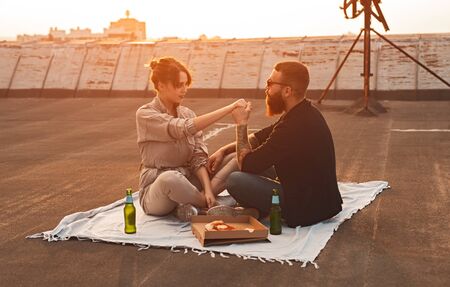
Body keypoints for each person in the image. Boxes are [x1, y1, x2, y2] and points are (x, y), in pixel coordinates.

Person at [207, 61, 343, 227]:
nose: (267, 89)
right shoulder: (302, 111)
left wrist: (241, 124)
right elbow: (258, 137)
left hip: (305, 208)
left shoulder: (294, 126)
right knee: (235, 153)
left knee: (235, 180)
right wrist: (222, 150)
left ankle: (212, 201)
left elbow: (246, 164)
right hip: (319, 200)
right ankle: (253, 210)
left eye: (270, 83)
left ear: (287, 91)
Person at [136, 57, 247, 221]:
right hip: (158, 192)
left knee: (235, 158)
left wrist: (208, 189)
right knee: (170, 178)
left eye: (186, 84)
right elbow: (182, 128)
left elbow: (197, 158)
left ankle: (195, 204)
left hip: (189, 183)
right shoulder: (145, 114)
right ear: (160, 85)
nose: (184, 89)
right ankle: (216, 204)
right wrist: (230, 108)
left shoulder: (188, 113)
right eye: (178, 85)